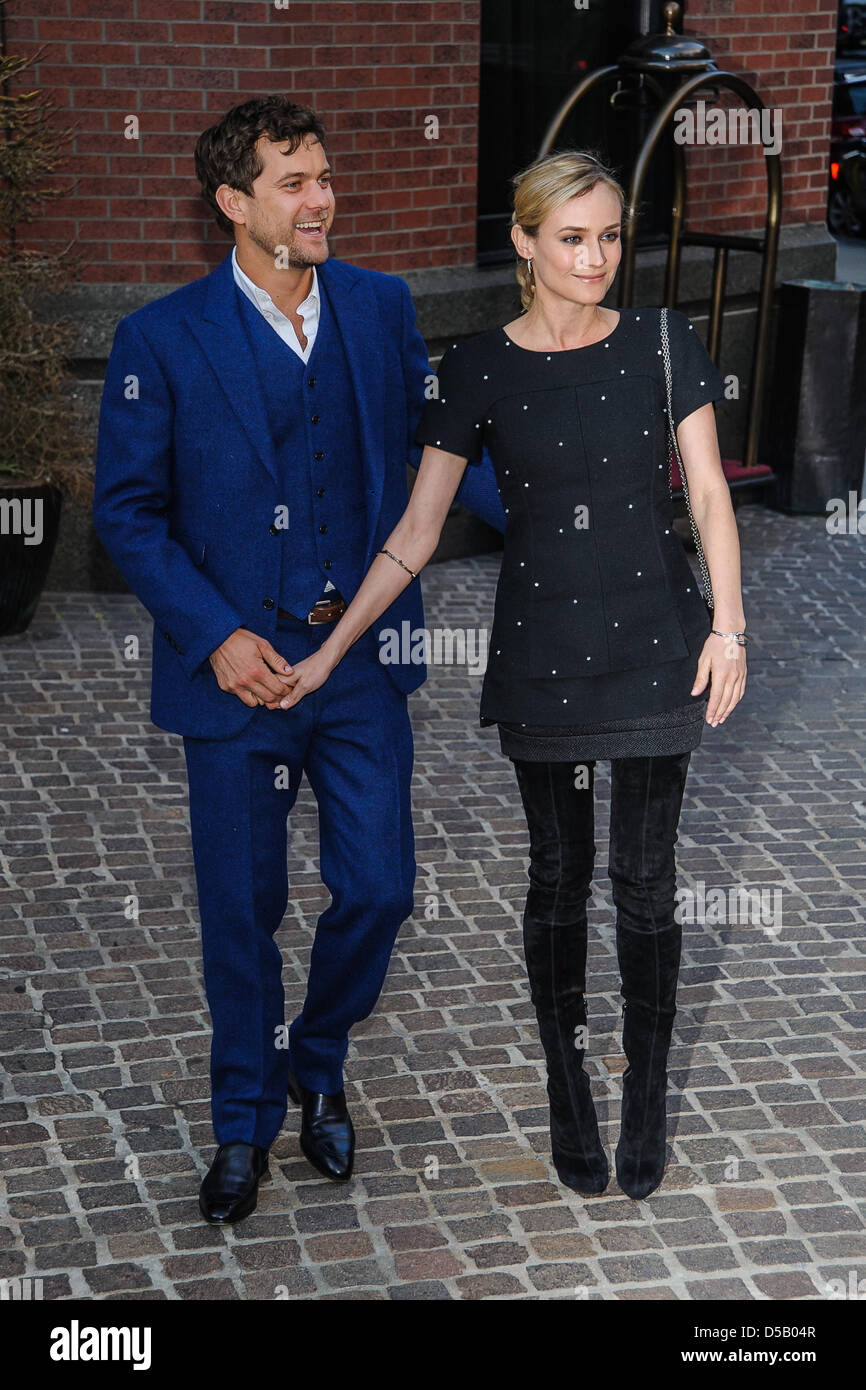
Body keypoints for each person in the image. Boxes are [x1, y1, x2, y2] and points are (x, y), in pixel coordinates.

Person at [275, 150, 748, 1202]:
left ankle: (646, 1090)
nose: (595, 258)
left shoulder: (663, 343)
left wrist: (729, 629)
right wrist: (328, 649)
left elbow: (710, 495)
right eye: (571, 237)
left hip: (655, 647)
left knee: (645, 885)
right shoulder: (478, 366)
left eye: (610, 236)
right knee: (554, 878)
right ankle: (568, 1089)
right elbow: (413, 532)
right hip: (541, 657)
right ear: (524, 245)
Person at [92, 96, 506, 1224]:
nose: (321, 198)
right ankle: (243, 1120)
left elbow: (440, 452)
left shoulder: (378, 308)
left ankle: (315, 1059)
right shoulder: (159, 339)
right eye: (292, 181)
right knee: (240, 907)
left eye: (324, 176)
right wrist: (217, 635)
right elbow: (127, 514)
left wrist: (569, 506)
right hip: (234, 681)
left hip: (359, 659)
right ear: (233, 203)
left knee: (379, 887)